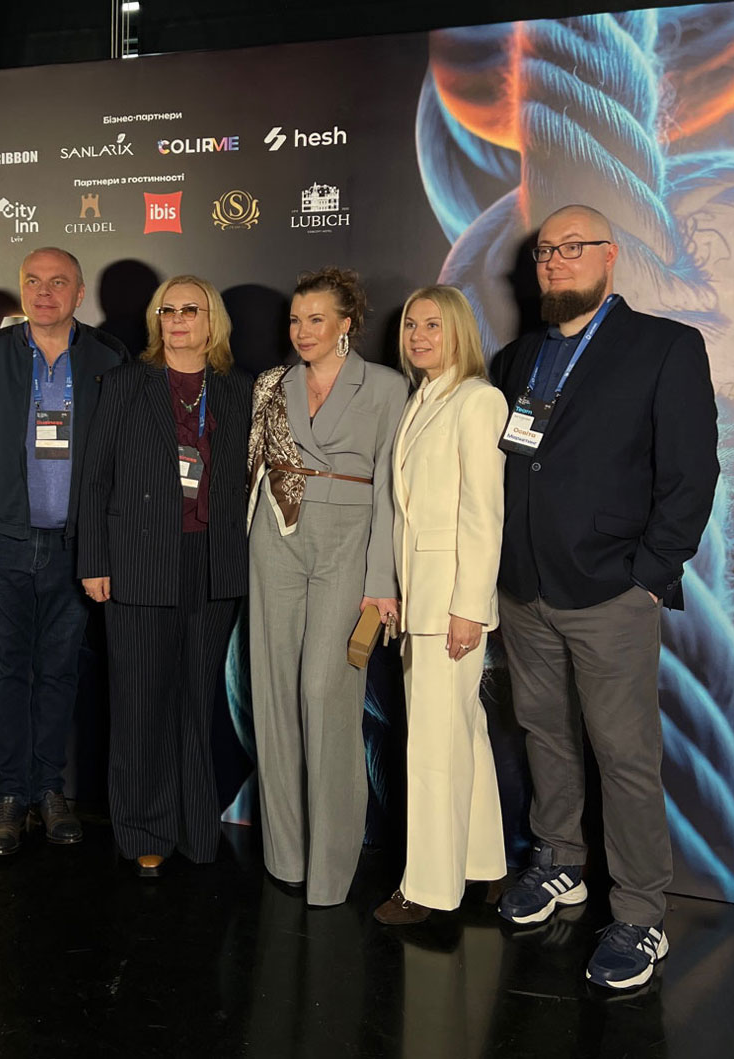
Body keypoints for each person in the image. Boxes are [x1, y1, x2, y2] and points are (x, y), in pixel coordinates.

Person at [491, 205, 719, 989]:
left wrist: (649, 575)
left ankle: (641, 913)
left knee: (624, 756)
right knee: (543, 732)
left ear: (610, 256)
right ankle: (560, 861)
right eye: (545, 251)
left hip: (610, 591)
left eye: (572, 247)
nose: (555, 261)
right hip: (525, 588)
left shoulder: (663, 347)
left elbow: (691, 474)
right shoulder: (517, 359)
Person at [0, 247, 126, 856]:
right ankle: (10, 795)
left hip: (76, 547)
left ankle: (49, 788)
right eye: (33, 282)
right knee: (4, 672)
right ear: (22, 290)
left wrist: (104, 548)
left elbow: (124, 462)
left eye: (58, 282)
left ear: (79, 293)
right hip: (2, 544)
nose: (45, 292)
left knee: (58, 671)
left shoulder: (108, 358)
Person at [79, 275, 252, 877]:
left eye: (190, 310)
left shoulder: (238, 390)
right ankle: (144, 829)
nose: (177, 319)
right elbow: (95, 477)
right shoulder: (126, 384)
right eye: (168, 310)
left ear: (212, 322)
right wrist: (94, 561)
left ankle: (196, 826)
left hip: (213, 564)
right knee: (139, 704)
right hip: (137, 561)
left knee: (197, 702)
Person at [247, 267, 408, 907]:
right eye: (295, 319)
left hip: (348, 541)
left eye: (316, 319)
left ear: (346, 323)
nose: (303, 331)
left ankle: (331, 867)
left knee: (325, 691)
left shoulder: (387, 386)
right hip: (276, 535)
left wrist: (382, 579)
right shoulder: (272, 384)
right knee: (274, 694)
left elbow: (393, 491)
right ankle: (285, 856)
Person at [373, 285, 508, 925]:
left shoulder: (478, 400)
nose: (418, 336)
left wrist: (468, 607)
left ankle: (428, 889)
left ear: (459, 332)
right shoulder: (421, 399)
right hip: (421, 599)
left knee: (434, 747)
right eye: (411, 325)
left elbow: (484, 512)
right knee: (462, 734)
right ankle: (483, 864)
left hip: (451, 603)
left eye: (433, 325)